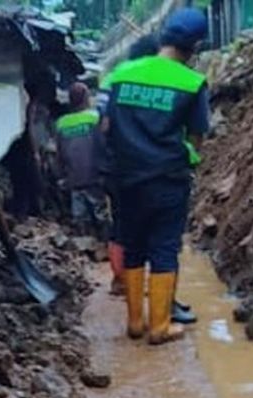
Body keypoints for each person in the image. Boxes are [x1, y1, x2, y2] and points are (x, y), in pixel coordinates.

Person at [103, 8, 210, 344]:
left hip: (126, 178)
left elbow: (105, 125)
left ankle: (135, 323)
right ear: (195, 47)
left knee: (133, 246)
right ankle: (160, 326)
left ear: (163, 35)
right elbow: (196, 135)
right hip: (167, 178)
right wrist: (188, 159)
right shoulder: (192, 83)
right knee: (163, 248)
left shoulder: (121, 74)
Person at [99, 34, 159, 296]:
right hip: (154, 167)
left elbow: (103, 126)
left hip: (118, 166)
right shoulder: (160, 82)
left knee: (120, 224)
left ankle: (120, 280)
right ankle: (147, 285)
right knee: (153, 226)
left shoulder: (113, 82)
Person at [55, 82, 102, 235]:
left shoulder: (61, 123)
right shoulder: (95, 118)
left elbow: (59, 154)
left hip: (73, 178)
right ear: (86, 98)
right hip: (96, 177)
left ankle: (83, 250)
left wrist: (62, 176)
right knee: (100, 216)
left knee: (79, 219)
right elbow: (105, 146)